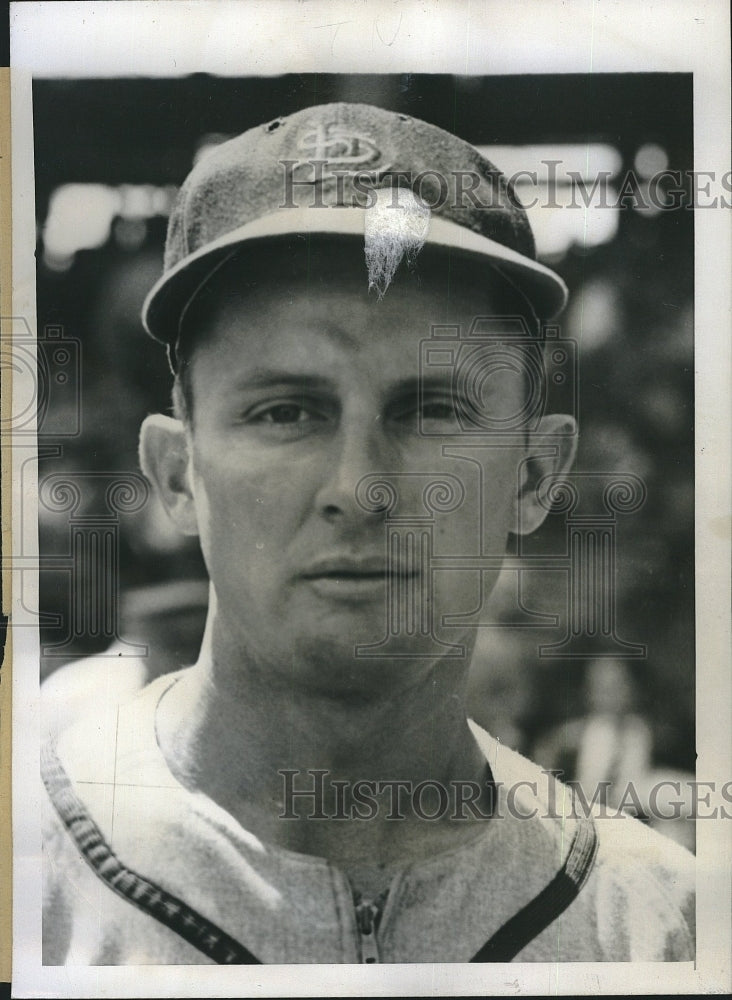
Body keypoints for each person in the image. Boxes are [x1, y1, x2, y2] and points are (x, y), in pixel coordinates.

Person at [41, 102, 694, 965]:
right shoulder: (29, 877)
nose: (358, 486)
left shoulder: (661, 925)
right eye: (284, 412)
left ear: (533, 477)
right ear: (176, 474)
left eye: (431, 411)